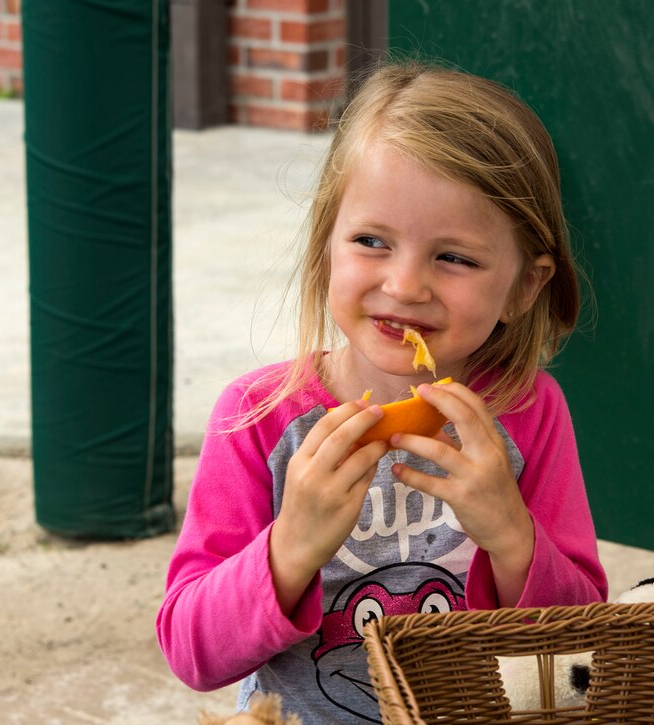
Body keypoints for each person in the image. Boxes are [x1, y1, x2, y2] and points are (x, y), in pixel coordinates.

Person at [157, 60, 608, 723]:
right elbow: (192, 653)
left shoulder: (528, 411)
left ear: (523, 286)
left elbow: (580, 663)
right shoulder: (259, 417)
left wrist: (514, 535)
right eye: (372, 241)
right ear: (326, 247)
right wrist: (291, 546)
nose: (404, 285)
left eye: (453, 256)